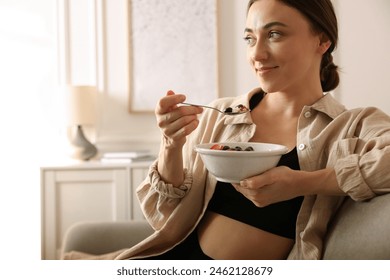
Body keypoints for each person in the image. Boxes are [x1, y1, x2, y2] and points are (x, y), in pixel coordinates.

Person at [64, 0, 390, 260]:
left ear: (322, 39)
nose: (257, 54)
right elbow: (167, 216)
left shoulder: (351, 126)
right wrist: (171, 144)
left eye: (275, 34)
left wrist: (302, 183)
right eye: (250, 37)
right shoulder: (221, 115)